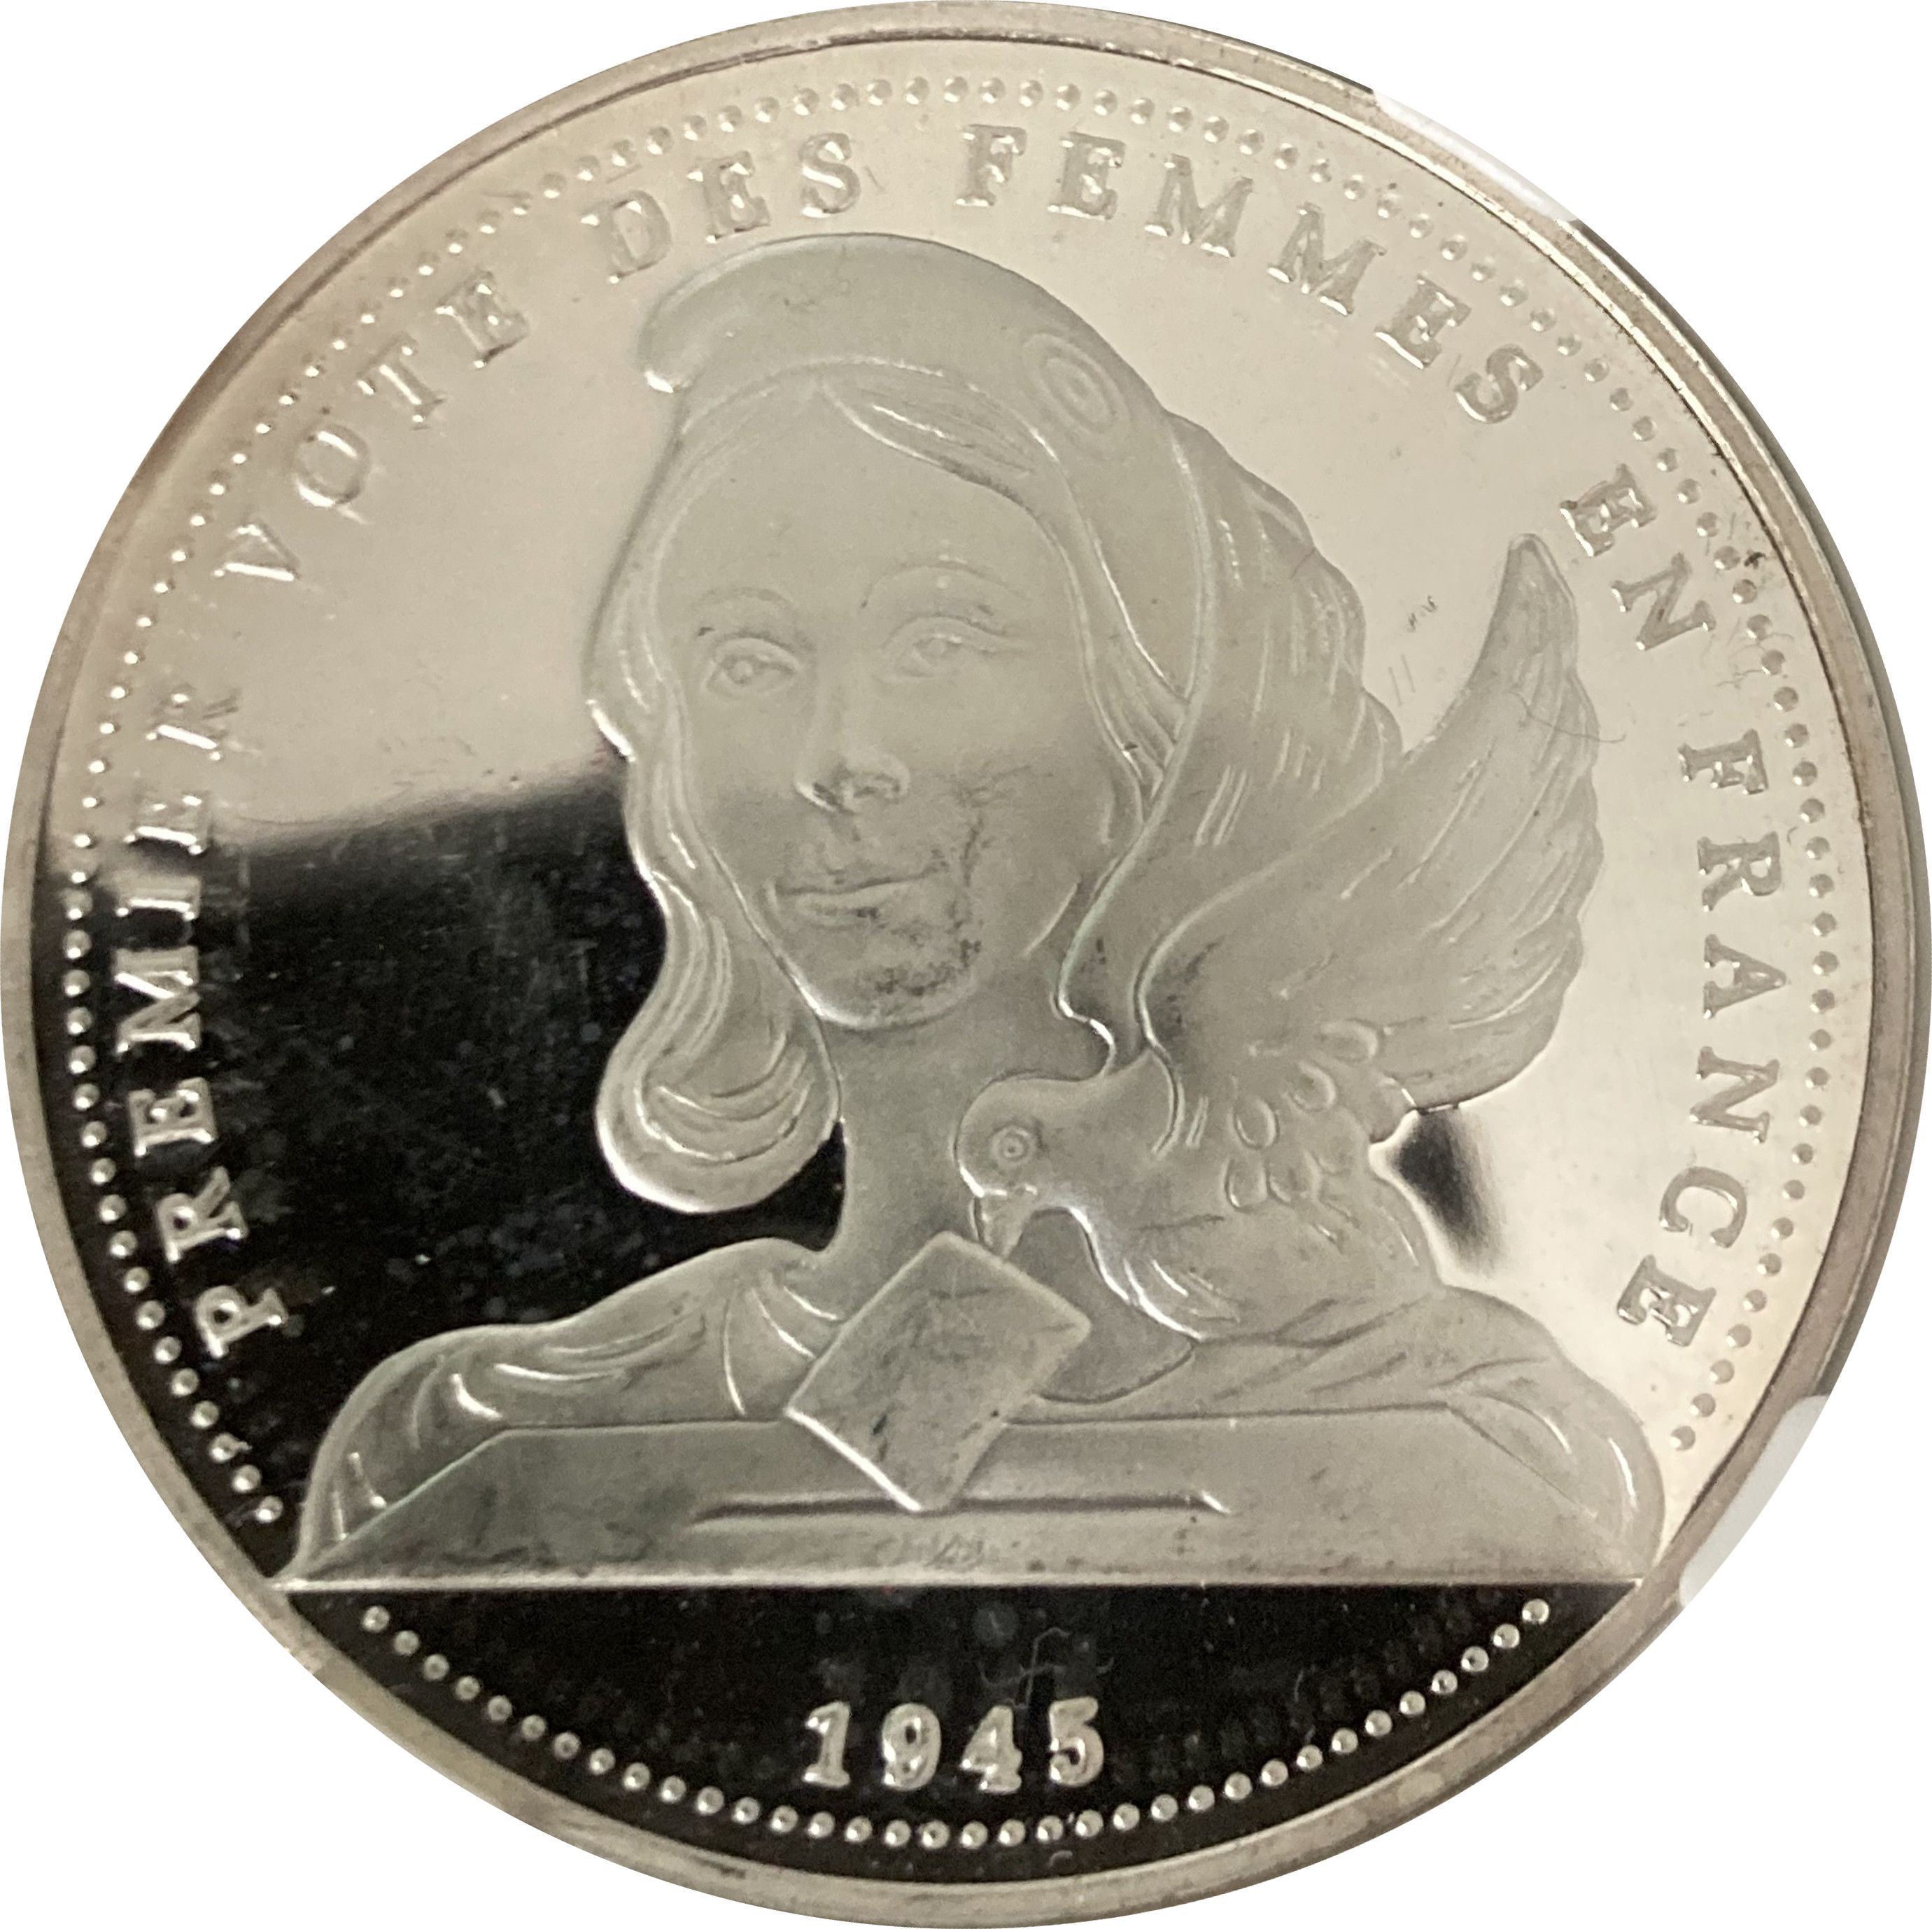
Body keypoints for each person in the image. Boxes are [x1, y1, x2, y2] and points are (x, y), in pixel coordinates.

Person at [289, 233, 1661, 1578]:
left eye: (938, 641)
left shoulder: (1477, 1447)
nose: (838, 757)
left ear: (1157, 736)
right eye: (750, 662)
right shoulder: (467, 1444)